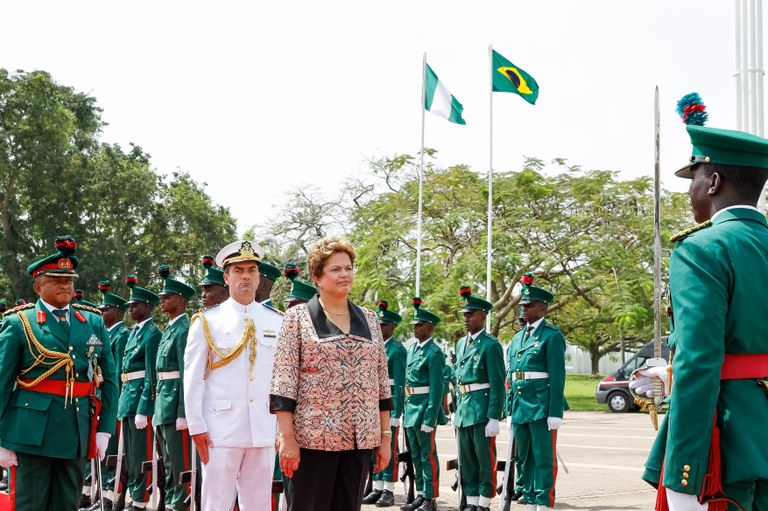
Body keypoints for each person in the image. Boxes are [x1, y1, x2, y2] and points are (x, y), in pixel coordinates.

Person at [640, 100, 768, 511]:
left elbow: (702, 359)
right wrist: (669, 370)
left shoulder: (701, 250)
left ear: (713, 182)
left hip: (727, 445)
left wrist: (684, 474)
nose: (688, 189)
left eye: (692, 177)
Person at [270, 236, 392, 511]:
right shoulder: (297, 318)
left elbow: (382, 384)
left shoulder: (370, 319)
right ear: (317, 276)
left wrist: (385, 439)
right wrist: (287, 439)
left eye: (348, 268)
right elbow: (283, 382)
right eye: (335, 269)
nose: (344, 274)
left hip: (359, 441)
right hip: (311, 442)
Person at [0, 236, 118, 511]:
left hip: (74, 431)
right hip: (30, 433)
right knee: (31, 504)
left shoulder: (91, 320)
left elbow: (109, 378)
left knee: (67, 503)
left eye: (69, 280)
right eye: (56, 280)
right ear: (38, 286)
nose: (65, 285)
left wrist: (105, 429)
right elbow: (3, 382)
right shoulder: (20, 323)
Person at [184, 240, 284, 511]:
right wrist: (197, 426)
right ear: (226, 277)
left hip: (262, 427)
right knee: (216, 503)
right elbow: (192, 379)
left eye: (252, 270)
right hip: (219, 429)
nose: (246, 276)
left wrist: (281, 427)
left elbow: (281, 380)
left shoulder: (276, 321)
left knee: (259, 504)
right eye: (239, 271)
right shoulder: (207, 321)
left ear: (259, 277)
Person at [506, 273, 566, 511]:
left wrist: (555, 411)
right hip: (521, 405)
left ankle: (543, 503)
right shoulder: (519, 337)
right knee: (524, 459)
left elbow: (557, 375)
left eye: (529, 305)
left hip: (541, 405)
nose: (524, 309)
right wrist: (509, 409)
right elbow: (513, 376)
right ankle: (530, 501)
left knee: (543, 457)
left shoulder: (551, 336)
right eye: (522, 305)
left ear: (543, 308)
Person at [453, 286, 505, 511]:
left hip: (482, 410)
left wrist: (494, 416)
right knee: (468, 460)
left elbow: (497, 383)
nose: (466, 319)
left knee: (485, 460)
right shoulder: (461, 343)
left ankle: (484, 502)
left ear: (483, 316)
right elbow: (458, 379)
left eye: (471, 314)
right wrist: (454, 407)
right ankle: (472, 501)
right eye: (465, 314)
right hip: (464, 410)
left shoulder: (490, 345)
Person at [117, 276, 161, 511]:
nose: (131, 309)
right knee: (130, 457)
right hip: (127, 398)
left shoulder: (153, 334)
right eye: (129, 306)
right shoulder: (134, 332)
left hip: (140, 401)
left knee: (141, 453)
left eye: (135, 305)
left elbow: (150, 374)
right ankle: (134, 497)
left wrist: (145, 407)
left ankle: (142, 500)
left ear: (147, 306)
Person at [155, 265, 196, 511]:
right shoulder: (169, 328)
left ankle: (180, 503)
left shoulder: (183, 330)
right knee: (167, 459)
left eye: (167, 297)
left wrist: (183, 411)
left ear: (180, 301)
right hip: (163, 401)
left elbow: (186, 373)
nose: (162, 300)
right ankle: (171, 500)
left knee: (179, 460)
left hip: (174, 403)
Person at [401, 298, 447, 511]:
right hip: (411, 408)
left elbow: (437, 389)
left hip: (424, 410)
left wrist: (431, 417)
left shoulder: (434, 353)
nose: (415, 328)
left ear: (430, 327)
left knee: (428, 455)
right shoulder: (412, 350)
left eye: (420, 325)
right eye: (414, 325)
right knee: (416, 455)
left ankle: (430, 497)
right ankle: (420, 493)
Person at [362, 300, 407, 508]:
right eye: (378, 324)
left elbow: (399, 384)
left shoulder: (397, 350)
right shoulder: (373, 346)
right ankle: (377, 486)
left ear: (392, 327)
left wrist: (397, 411)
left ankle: (389, 489)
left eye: (384, 325)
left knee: (389, 446)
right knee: (373, 446)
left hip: (388, 404)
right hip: (372, 403)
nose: (380, 328)